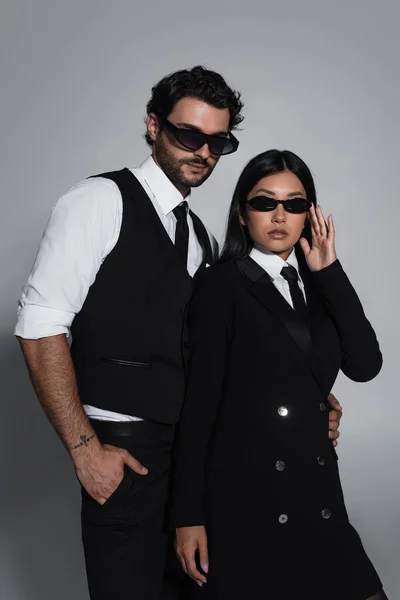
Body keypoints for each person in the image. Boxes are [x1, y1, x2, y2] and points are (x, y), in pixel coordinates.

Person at [14, 66, 342, 600]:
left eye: (218, 141)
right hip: (124, 452)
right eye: (189, 135)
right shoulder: (99, 201)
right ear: (152, 126)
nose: (202, 152)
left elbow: (226, 355)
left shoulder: (202, 239)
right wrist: (84, 450)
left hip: (198, 459)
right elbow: (38, 325)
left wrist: (305, 396)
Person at [172, 149, 387, 600]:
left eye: (294, 204)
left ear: (308, 213)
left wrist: (329, 271)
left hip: (318, 492)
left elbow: (365, 366)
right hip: (247, 495)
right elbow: (198, 408)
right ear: (242, 211)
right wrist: (187, 515)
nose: (279, 215)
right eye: (265, 202)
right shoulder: (220, 285)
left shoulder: (319, 285)